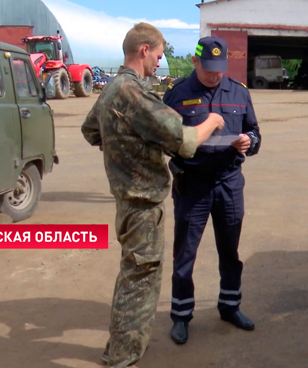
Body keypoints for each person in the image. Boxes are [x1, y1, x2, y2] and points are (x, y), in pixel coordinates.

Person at [81, 23, 224, 368]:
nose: (160, 63)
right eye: (159, 55)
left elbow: (90, 130)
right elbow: (186, 142)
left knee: (133, 273)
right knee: (139, 281)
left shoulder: (112, 88)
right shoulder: (132, 93)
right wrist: (213, 121)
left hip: (127, 198)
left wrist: (127, 149)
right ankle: (123, 356)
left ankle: (122, 348)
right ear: (144, 50)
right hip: (142, 201)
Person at [162, 36, 261, 345]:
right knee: (185, 254)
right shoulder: (177, 95)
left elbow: (255, 133)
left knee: (230, 252)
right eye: (208, 69)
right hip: (193, 185)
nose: (215, 75)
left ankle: (230, 307)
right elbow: (165, 139)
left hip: (230, 183)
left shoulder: (239, 92)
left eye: (220, 69)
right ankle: (181, 315)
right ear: (195, 62)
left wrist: (248, 141)